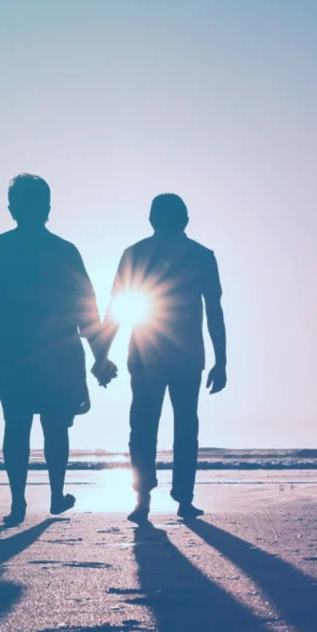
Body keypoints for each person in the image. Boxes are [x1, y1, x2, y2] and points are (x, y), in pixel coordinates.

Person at [0, 174, 117, 525]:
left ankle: (17, 503)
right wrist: (100, 356)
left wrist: (2, 332)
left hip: (10, 349)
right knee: (56, 424)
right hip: (58, 350)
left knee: (16, 421)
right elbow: (88, 308)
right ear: (48, 209)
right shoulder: (64, 251)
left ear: (12, 209)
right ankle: (56, 495)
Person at [101, 194, 227, 523]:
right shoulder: (201, 255)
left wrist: (102, 354)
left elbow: (115, 309)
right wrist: (221, 360)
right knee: (186, 426)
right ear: (185, 220)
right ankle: (184, 498)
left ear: (152, 220)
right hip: (186, 355)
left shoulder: (135, 253)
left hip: (145, 353)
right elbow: (214, 313)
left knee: (142, 426)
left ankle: (143, 499)